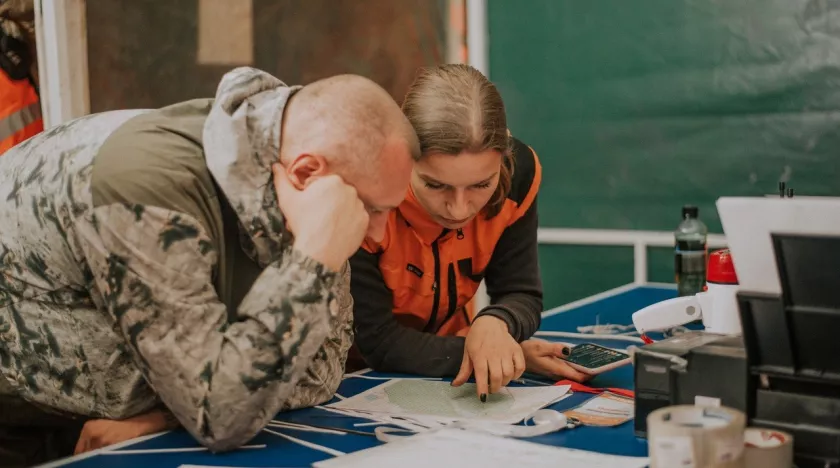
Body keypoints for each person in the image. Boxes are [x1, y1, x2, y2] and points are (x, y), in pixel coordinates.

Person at [0, 66, 418, 466]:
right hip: (22, 418)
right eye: (372, 208)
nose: (377, 236)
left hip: (114, 416)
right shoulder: (148, 193)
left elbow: (322, 371)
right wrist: (311, 259)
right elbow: (222, 417)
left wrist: (165, 416)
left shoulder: (305, 181)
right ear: (306, 172)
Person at [349, 64, 589, 400]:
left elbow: (521, 293)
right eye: (435, 185)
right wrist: (487, 354)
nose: (459, 209)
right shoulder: (363, 196)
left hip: (446, 376)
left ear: (503, 162)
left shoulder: (520, 174)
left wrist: (495, 327)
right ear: (402, 157)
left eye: (481, 184)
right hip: (353, 381)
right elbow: (377, 340)